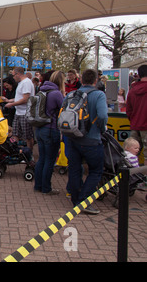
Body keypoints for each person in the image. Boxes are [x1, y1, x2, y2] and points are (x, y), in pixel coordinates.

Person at [66, 69, 108, 215]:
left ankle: (75, 199)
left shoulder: (71, 94)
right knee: (96, 171)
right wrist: (102, 128)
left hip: (72, 137)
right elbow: (102, 115)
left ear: (81, 79)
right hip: (91, 138)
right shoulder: (99, 95)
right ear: (95, 81)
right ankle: (83, 200)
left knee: (74, 169)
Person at [34, 71, 65, 195]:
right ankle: (46, 187)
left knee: (42, 158)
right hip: (51, 129)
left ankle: (38, 185)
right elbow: (64, 109)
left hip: (40, 127)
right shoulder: (56, 94)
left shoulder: (41, 91)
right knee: (50, 159)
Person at [4, 67, 35, 150]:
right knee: (15, 134)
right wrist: (9, 100)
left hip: (25, 113)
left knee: (28, 136)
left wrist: (12, 104)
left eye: (13, 75)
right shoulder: (21, 83)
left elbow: (25, 99)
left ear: (18, 74)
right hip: (19, 112)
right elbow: (20, 97)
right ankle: (15, 152)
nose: (13, 78)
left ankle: (29, 154)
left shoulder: (26, 83)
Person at [126, 65, 147, 166]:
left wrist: (133, 120)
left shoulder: (132, 90)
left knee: (130, 154)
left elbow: (128, 109)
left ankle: (130, 179)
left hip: (135, 125)